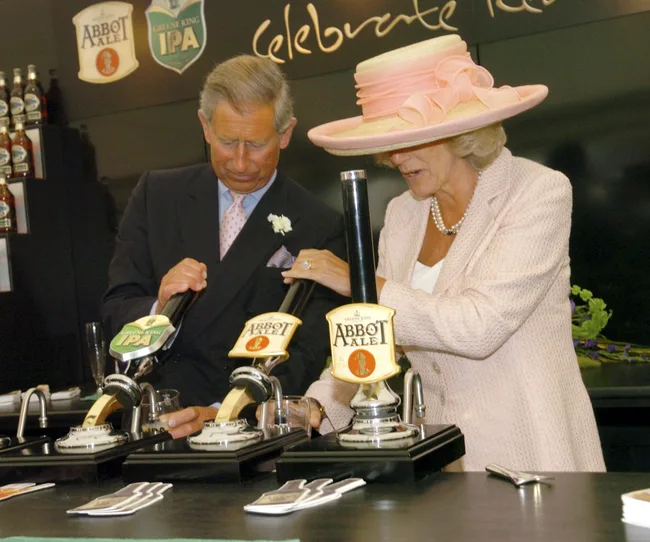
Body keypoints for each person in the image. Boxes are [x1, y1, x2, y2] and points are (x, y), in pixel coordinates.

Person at [282, 34, 606, 472]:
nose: (396, 157)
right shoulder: (403, 212)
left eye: (412, 140)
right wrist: (317, 407)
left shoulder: (537, 192)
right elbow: (378, 339)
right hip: (448, 461)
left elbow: (479, 326)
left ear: (462, 134)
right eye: (389, 142)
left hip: (535, 456)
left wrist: (359, 281)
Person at [102, 55, 345, 437]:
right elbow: (115, 309)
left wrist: (222, 412)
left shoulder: (318, 222)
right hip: (157, 423)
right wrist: (159, 310)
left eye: (256, 144)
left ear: (285, 133)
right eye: (228, 141)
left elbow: (307, 351)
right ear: (205, 127)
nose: (241, 161)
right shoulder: (157, 196)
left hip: (252, 433)